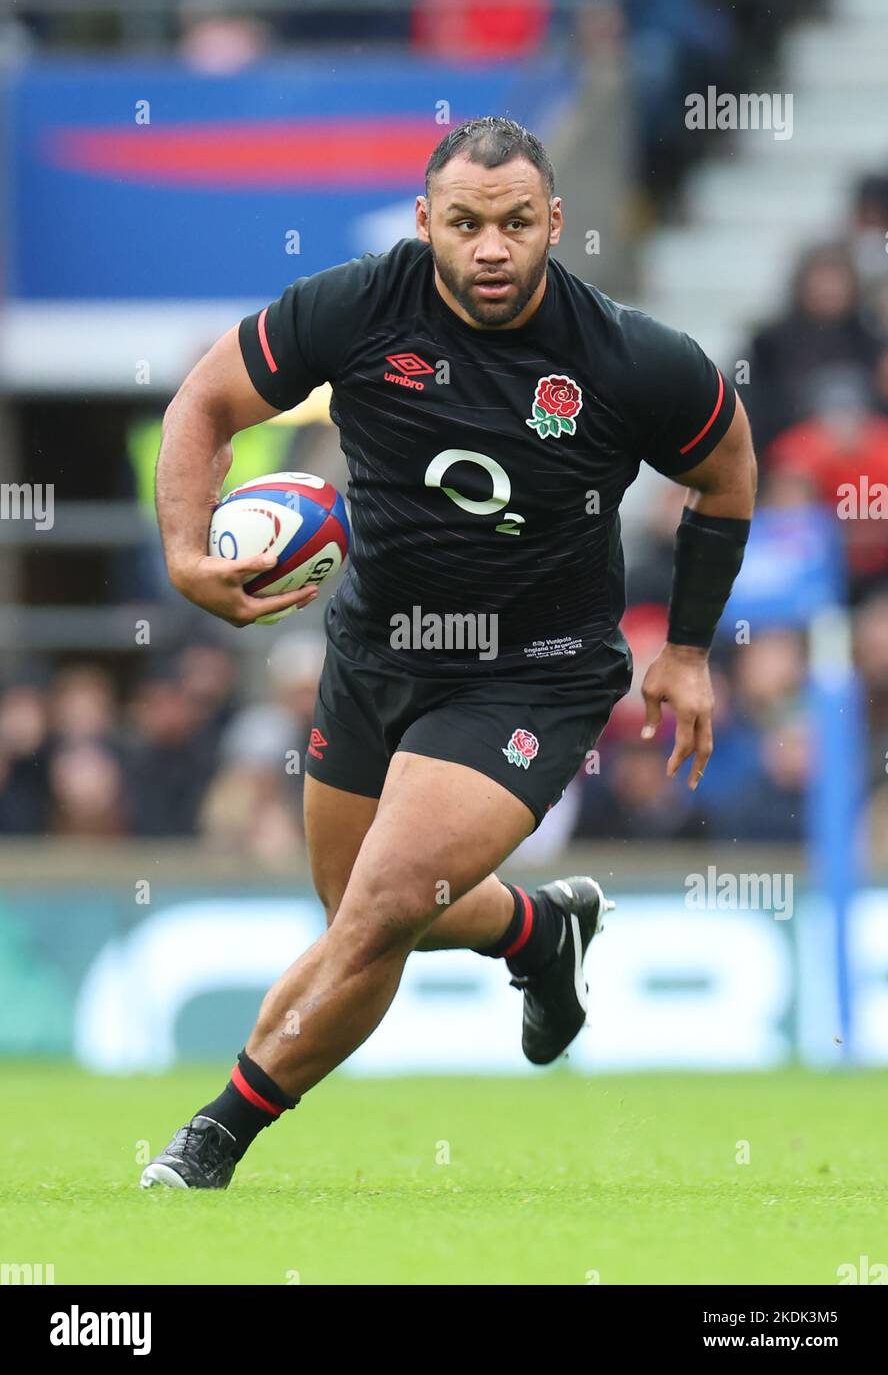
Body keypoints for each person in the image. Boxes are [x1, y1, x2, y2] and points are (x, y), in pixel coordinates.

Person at [144, 116, 756, 1189]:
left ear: (554, 225)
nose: (490, 248)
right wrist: (188, 556)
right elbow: (205, 402)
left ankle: (212, 1139)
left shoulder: (626, 359)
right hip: (377, 651)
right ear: (427, 221)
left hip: (535, 671)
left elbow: (729, 470)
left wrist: (692, 649)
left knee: (379, 913)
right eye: (465, 223)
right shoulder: (357, 307)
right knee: (360, 912)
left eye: (516, 223)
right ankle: (536, 931)